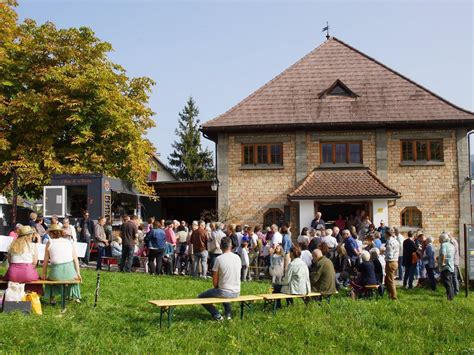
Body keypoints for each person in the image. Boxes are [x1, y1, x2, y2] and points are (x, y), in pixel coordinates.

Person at [198, 237, 240, 321]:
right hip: (237, 291)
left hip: (225, 291)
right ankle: (228, 314)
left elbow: (215, 281)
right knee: (224, 291)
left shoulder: (219, 259)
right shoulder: (237, 258)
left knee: (201, 297)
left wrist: (217, 287)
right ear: (231, 246)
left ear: (221, 246)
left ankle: (217, 315)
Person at [42, 224, 82, 304]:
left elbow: (46, 260)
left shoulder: (49, 242)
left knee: (50, 279)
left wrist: (44, 273)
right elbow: (75, 259)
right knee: (74, 277)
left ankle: (52, 298)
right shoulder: (69, 242)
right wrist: (78, 273)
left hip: (56, 273)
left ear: (51, 233)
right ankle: (76, 297)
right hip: (70, 273)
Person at [3, 225, 43, 295]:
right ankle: (28, 296)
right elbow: (34, 262)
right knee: (36, 279)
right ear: (29, 235)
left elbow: (9, 261)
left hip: (13, 274)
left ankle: (15, 297)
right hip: (28, 272)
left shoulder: (12, 245)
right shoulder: (33, 245)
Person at [384, 227, 400, 300]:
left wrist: (383, 253)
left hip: (391, 262)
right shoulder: (395, 241)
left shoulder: (389, 242)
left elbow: (390, 255)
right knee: (387, 279)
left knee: (390, 280)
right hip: (396, 261)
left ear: (387, 234)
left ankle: (394, 297)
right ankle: (389, 294)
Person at [438, 233, 455, 301]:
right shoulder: (451, 245)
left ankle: (449, 298)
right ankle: (451, 296)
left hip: (446, 266)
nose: (438, 240)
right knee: (450, 282)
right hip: (451, 265)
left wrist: (442, 262)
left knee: (446, 282)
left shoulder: (443, 245)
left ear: (442, 239)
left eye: (439, 238)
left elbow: (444, 254)